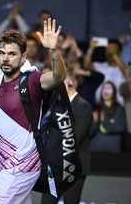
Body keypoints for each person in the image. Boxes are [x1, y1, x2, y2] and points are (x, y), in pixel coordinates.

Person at [0, 18, 66, 204]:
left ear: (24, 57)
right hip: (3, 167)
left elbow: (59, 76)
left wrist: (52, 50)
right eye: (2, 53)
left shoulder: (33, 80)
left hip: (24, 164)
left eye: (12, 54)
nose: (5, 58)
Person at [41, 70, 92, 204]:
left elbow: (74, 137)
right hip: (54, 168)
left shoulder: (83, 106)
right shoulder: (54, 105)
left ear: (72, 83)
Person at [84, 39, 127, 105]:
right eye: (108, 49)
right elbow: (86, 65)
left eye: (113, 49)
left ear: (120, 52)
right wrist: (91, 48)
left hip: (119, 105)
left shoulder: (128, 64)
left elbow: (130, 73)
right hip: (100, 105)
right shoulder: (99, 65)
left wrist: (114, 55)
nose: (109, 51)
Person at [90, 81, 127, 152]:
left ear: (114, 93)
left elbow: (122, 127)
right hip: (96, 149)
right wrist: (94, 122)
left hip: (113, 150)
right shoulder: (95, 108)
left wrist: (104, 120)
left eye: (109, 89)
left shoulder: (119, 109)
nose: (106, 92)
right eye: (104, 89)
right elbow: (90, 132)